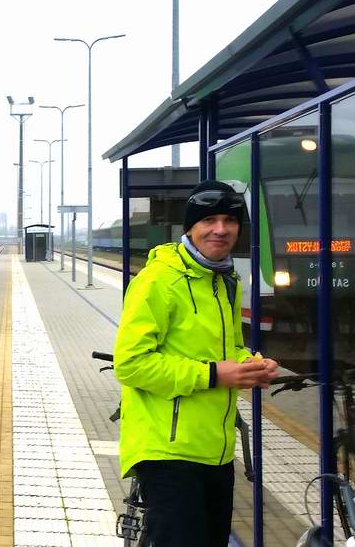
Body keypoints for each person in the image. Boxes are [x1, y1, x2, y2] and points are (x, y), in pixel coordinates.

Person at [113, 179, 279, 547]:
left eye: (229, 221)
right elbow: (132, 364)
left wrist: (250, 364)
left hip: (215, 448)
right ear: (190, 226)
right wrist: (216, 374)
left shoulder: (225, 279)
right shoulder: (158, 280)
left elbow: (230, 346)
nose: (220, 229)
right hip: (166, 448)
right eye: (209, 220)